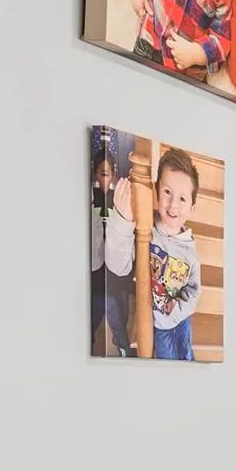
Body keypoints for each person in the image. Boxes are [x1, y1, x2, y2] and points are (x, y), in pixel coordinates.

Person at [149, 149, 204, 361]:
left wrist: (178, 309)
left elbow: (193, 291)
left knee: (187, 357)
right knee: (168, 363)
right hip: (160, 324)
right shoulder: (148, 232)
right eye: (167, 192)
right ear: (156, 190)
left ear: (191, 208)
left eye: (182, 199)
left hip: (181, 318)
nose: (173, 205)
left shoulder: (190, 253)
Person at [90, 131, 139, 356]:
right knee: (101, 304)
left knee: (115, 306)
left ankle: (122, 344)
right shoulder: (91, 196)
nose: (106, 180)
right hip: (96, 273)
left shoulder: (119, 197)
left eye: (109, 175)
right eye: (102, 174)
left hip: (117, 274)